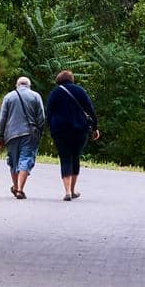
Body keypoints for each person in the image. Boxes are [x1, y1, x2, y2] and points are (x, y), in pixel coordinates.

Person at [45, 70, 98, 201]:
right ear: (71, 79)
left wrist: (51, 129)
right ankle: (73, 190)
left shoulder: (55, 93)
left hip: (60, 131)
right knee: (75, 157)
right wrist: (95, 127)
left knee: (65, 158)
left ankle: (67, 191)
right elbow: (90, 109)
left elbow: (49, 113)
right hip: (80, 130)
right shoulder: (80, 91)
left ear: (59, 80)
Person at [0, 76, 45, 199]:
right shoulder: (35, 96)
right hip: (29, 134)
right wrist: (39, 131)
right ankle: (20, 190)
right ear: (29, 85)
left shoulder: (8, 97)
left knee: (13, 161)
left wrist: (0, 136)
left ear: (17, 85)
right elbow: (42, 117)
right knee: (26, 159)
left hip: (11, 134)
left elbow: (2, 119)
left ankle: (16, 187)